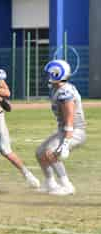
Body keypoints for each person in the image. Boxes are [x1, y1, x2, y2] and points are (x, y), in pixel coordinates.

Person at [36, 59, 86, 195]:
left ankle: (67, 186)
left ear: (57, 74)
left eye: (49, 73)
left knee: (50, 153)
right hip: (64, 130)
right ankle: (50, 183)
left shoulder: (65, 92)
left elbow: (70, 118)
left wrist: (65, 142)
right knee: (40, 152)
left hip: (74, 131)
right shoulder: (57, 89)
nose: (46, 76)